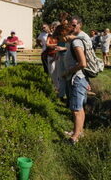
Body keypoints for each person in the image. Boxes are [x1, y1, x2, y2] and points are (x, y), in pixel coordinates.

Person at [62, 16, 91, 144]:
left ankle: (75, 138)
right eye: (70, 25)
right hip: (77, 77)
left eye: (74, 25)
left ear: (80, 25)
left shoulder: (77, 41)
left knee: (76, 109)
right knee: (79, 108)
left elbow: (83, 63)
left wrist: (68, 71)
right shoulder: (74, 40)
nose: (71, 28)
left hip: (77, 78)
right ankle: (78, 132)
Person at [46, 22, 60, 90]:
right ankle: (56, 87)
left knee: (58, 72)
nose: (53, 29)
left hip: (57, 56)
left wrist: (53, 46)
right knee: (52, 72)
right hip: (50, 55)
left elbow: (60, 45)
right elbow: (47, 44)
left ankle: (58, 87)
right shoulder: (49, 36)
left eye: (55, 27)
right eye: (53, 27)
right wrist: (55, 45)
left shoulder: (59, 36)